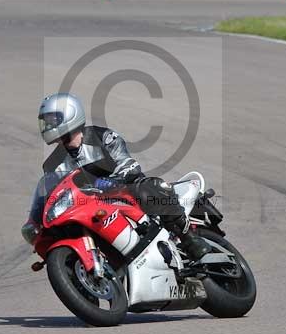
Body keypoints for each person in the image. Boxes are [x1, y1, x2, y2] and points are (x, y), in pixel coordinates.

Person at [22, 92, 211, 260]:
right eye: (44, 121)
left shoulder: (101, 137)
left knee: (148, 187)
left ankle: (189, 238)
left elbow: (128, 163)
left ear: (70, 114)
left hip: (123, 191)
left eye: (51, 120)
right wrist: (36, 223)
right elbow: (52, 194)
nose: (47, 125)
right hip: (89, 207)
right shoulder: (52, 164)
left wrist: (112, 182)